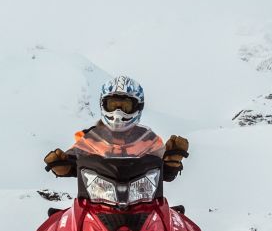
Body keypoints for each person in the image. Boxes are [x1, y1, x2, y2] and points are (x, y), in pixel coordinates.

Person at [43, 76, 189, 181]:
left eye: (126, 106)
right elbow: (74, 161)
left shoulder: (149, 140)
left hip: (142, 201)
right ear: (103, 105)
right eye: (112, 105)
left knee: (168, 219)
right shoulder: (90, 138)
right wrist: (63, 165)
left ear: (138, 107)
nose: (118, 112)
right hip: (97, 200)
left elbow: (164, 174)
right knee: (66, 220)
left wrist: (171, 161)